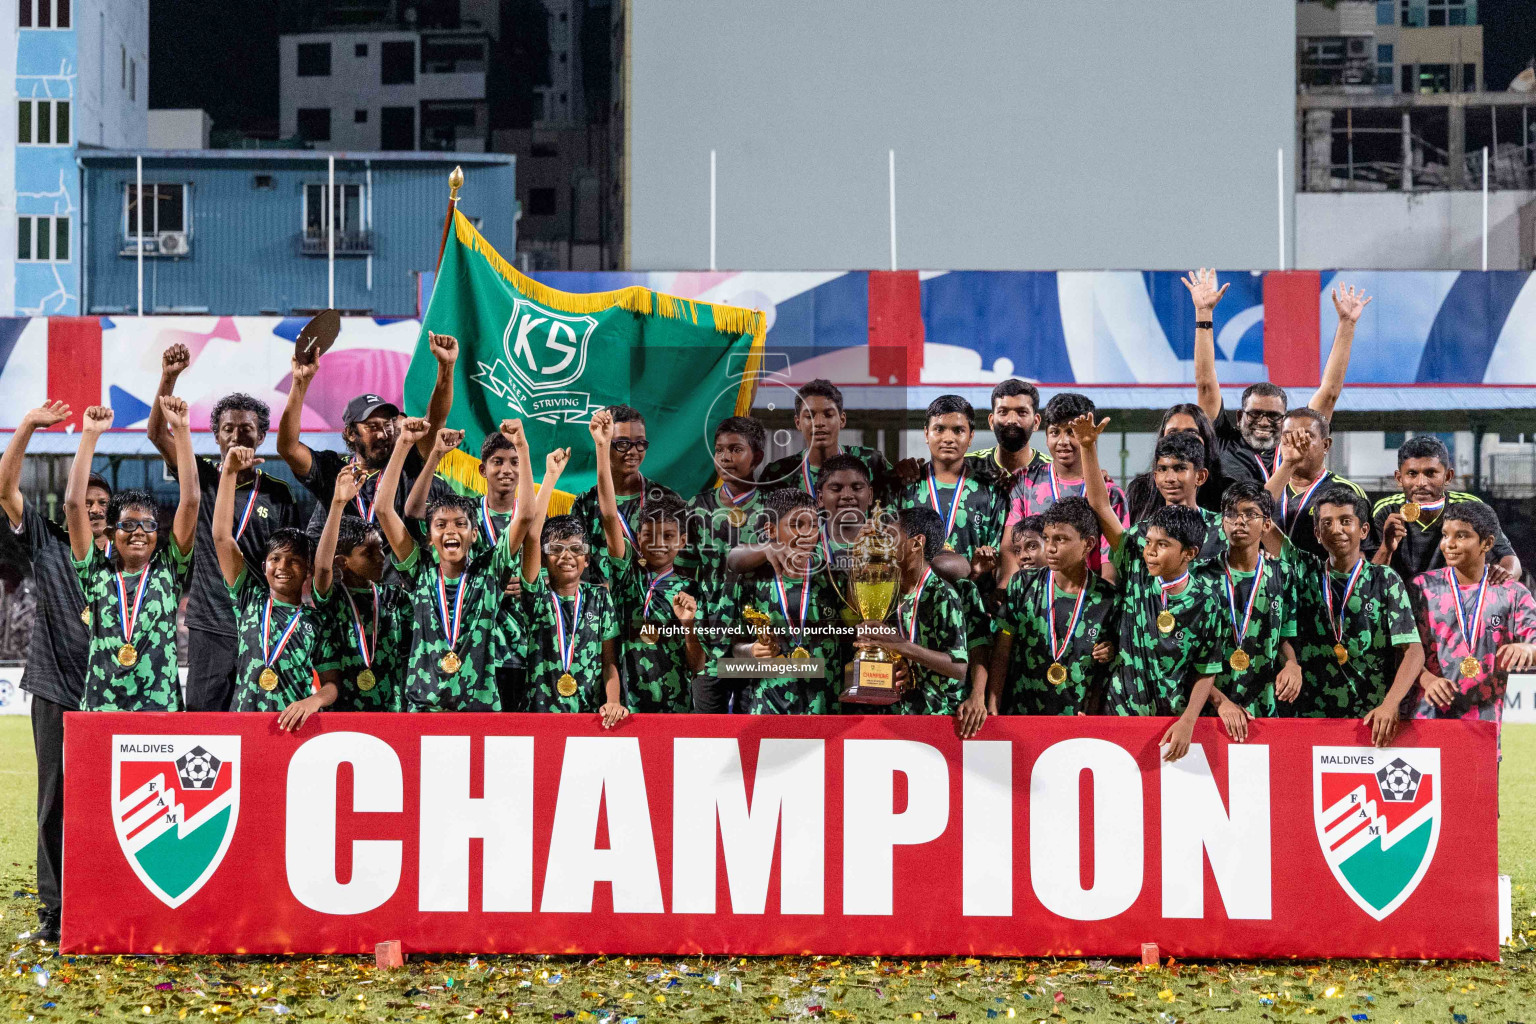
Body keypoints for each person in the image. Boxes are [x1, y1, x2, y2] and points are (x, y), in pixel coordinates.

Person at [0, 401, 105, 944]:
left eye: (100, 506)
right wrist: (27, 427)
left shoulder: (124, 558)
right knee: (53, 804)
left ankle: (110, 898)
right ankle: (54, 911)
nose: (90, 511)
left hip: (112, 695)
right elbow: (5, 489)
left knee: (112, 802)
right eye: (82, 503)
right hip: (53, 688)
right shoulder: (46, 542)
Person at [147, 344, 301, 712]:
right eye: (227, 429)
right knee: (204, 719)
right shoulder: (200, 476)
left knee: (256, 717)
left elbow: (292, 563)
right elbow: (157, 433)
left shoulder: (278, 494)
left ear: (261, 436)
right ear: (215, 436)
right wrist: (169, 378)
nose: (236, 436)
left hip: (261, 623)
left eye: (246, 429)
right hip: (209, 621)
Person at [1073, 416, 1236, 755]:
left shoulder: (1225, 532)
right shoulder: (1138, 539)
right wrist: (1088, 448)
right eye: (1162, 469)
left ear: (1200, 475)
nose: (1169, 478)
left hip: (1197, 689)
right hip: (1127, 699)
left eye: (1179, 469)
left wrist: (1215, 701)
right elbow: (1100, 506)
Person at [375, 418, 539, 712]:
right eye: (441, 525)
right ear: (429, 536)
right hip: (424, 705)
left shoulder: (489, 572)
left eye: (460, 524)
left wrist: (524, 448)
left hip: (479, 707)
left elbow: (526, 515)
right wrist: (403, 444)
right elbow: (384, 510)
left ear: (474, 534)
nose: (451, 531)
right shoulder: (419, 570)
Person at [68, 401, 199, 712]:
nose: (139, 531)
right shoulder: (95, 571)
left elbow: (191, 500)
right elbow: (74, 505)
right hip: (102, 707)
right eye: (128, 524)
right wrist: (89, 435)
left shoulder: (168, 568)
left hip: (159, 708)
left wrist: (181, 430)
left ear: (157, 534)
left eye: (148, 525)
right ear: (113, 532)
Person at [1267, 485, 1423, 745]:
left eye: (1345, 521)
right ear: (1317, 534)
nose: (1336, 529)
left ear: (1363, 530)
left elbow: (1413, 651)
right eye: (1326, 523)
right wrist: (1290, 464)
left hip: (1371, 720)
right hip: (1311, 719)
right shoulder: (1304, 571)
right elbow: (1262, 519)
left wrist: (1390, 704)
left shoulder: (1384, 580)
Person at [1187, 267, 1369, 490]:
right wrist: (1203, 314)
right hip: (1231, 525)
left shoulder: (1295, 445)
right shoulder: (1223, 441)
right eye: (1255, 414)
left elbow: (1329, 393)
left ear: (1285, 420)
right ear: (1239, 416)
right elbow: (1205, 384)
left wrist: (1347, 325)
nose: (1263, 422)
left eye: (1273, 416)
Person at [277, 333, 457, 540]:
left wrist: (446, 367)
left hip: (402, 572)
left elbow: (436, 418)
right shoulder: (334, 471)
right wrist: (300, 382)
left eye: (387, 424)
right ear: (350, 434)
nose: (383, 434)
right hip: (348, 572)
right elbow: (288, 448)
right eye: (372, 427)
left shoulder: (408, 463)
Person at [212, 447, 337, 728]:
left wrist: (313, 701)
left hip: (295, 725)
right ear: (265, 565)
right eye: (275, 559)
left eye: (294, 561)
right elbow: (221, 537)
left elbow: (332, 685)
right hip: (244, 723)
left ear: (307, 569)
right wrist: (229, 474)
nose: (283, 566)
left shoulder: (316, 620)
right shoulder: (248, 599)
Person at [591, 410, 705, 713]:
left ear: (682, 541)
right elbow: (607, 512)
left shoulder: (691, 589)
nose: (658, 543)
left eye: (668, 536)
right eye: (649, 535)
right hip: (623, 707)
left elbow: (698, 665)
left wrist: (689, 626)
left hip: (675, 711)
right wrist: (602, 447)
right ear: (636, 539)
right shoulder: (624, 574)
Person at [1409, 502, 1536, 753]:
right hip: (1425, 722)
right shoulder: (1421, 588)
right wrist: (1427, 679)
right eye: (1445, 535)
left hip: (1484, 727)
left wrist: (1528, 649)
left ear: (1487, 544)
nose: (1449, 544)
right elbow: (1401, 648)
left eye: (1462, 535)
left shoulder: (1512, 594)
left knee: (1478, 793)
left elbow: (1533, 642)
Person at [989, 497, 1119, 716]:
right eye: (1047, 538)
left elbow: (1105, 671)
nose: (1050, 548)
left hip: (1077, 723)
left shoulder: (1108, 599)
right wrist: (993, 703)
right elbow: (1002, 650)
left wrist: (1094, 715)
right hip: (1022, 715)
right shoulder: (1022, 584)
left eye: (1061, 539)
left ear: (1088, 544)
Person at [728, 488, 846, 714]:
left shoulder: (833, 578)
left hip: (826, 711)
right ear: (771, 530)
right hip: (767, 710)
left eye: (812, 525)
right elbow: (733, 647)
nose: (806, 533)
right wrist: (752, 650)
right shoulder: (753, 580)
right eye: (795, 525)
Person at [679, 416, 768, 711]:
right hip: (709, 641)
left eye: (736, 449)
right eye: (719, 450)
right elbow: (683, 573)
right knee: (705, 735)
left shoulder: (774, 508)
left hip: (757, 643)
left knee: (753, 733)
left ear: (758, 456)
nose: (726, 457)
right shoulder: (697, 507)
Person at [850, 506, 971, 718]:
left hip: (939, 716)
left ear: (916, 544)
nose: (884, 544)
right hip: (899, 713)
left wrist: (898, 644)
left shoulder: (941, 594)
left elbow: (959, 667)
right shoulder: (890, 590)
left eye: (891, 537)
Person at [1194, 483, 1302, 720]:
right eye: (1231, 514)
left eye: (1250, 514)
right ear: (1222, 524)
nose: (1239, 521)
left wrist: (1292, 664)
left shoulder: (1282, 574)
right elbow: (1187, 654)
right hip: (1210, 710)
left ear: (1266, 524)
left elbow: (1283, 637)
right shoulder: (1200, 577)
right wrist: (1219, 701)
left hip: (1264, 709)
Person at [518, 510, 625, 725]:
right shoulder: (536, 597)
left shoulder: (600, 598)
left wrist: (613, 701)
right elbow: (531, 536)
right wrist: (550, 477)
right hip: (539, 717)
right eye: (556, 549)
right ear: (543, 558)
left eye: (576, 549)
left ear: (586, 559)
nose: (566, 556)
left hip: (590, 717)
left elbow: (609, 662)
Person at [1373, 435, 1521, 584]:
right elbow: (1368, 583)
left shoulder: (1470, 507)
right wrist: (1386, 548)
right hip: (1400, 603)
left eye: (1430, 473)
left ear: (1448, 476)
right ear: (1399, 478)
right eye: (1412, 474)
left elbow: (1511, 560)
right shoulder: (1385, 511)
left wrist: (1505, 575)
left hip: (1457, 602)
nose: (1421, 483)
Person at [313, 482, 408, 711]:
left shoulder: (394, 596)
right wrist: (337, 505)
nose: (381, 557)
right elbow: (323, 569)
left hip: (390, 712)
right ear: (341, 562)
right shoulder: (331, 598)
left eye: (381, 549)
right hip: (342, 714)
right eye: (369, 553)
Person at [899, 395, 1008, 568]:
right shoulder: (906, 486)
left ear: (971, 437)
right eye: (939, 429)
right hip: (916, 594)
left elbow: (1000, 558)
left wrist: (979, 571)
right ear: (926, 434)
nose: (948, 438)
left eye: (958, 430)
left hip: (974, 593)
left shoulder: (992, 491)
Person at [1034, 392, 1127, 577]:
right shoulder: (1026, 483)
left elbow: (1112, 563)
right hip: (1035, 597)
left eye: (1071, 432)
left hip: (1089, 598)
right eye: (1055, 432)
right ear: (1046, 436)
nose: (1063, 441)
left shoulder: (1110, 494)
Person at [759, 379, 896, 502]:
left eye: (828, 415)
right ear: (798, 423)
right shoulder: (778, 474)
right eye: (810, 416)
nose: (819, 423)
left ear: (842, 420)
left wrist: (908, 472)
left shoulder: (870, 462)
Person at [1262, 408, 1368, 563]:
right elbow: (1253, 515)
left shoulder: (1347, 491)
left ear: (1325, 445)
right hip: (1270, 584)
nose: (1297, 442)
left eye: (1306, 436)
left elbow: (1363, 557)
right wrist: (1288, 463)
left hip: (1322, 584)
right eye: (1288, 436)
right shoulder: (1270, 489)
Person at [1124, 403, 1223, 521]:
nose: (1180, 438)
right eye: (1173, 432)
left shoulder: (1223, 489)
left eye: (1191, 433)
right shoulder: (1140, 489)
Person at [964, 379, 1052, 506]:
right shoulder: (966, 467)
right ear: (991, 421)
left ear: (1036, 422)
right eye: (1003, 412)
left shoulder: (1052, 472)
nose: (1012, 420)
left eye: (1022, 412)